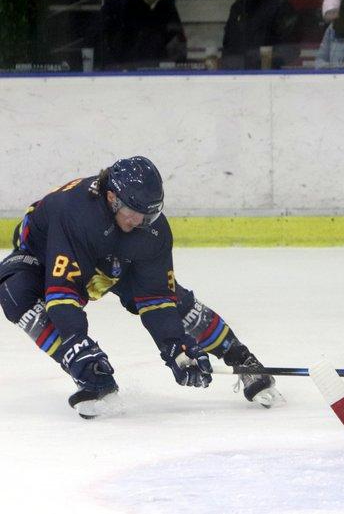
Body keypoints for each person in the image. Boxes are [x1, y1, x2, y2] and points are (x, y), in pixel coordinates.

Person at [0, 156, 283, 418]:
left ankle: (244, 360)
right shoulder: (76, 214)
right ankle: (91, 375)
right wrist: (77, 341)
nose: (140, 222)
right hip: (44, 254)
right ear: (112, 197)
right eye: (133, 213)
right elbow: (62, 291)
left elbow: (156, 298)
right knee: (15, 292)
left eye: (149, 215)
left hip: (108, 255)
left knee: (177, 303)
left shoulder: (151, 229)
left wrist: (175, 346)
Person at [99, 0, 187, 69]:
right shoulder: (117, 7)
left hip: (160, 74)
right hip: (125, 74)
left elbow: (177, 45)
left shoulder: (168, 7)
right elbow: (102, 44)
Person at [221, 0, 298, 70]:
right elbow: (228, 44)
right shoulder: (237, 7)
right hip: (237, 75)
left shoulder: (280, 6)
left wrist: (265, 58)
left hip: (268, 76)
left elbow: (291, 47)